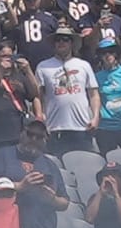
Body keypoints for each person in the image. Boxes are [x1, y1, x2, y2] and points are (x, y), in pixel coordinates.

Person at [0, 117, 67, 228]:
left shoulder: (49, 165)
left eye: (39, 136)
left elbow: (64, 202)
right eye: (30, 134)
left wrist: (50, 198)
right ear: (22, 133)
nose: (33, 139)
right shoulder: (3, 155)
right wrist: (19, 186)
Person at [34, 25, 99, 155]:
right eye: (58, 40)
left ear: (71, 43)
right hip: (54, 128)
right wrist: (40, 116)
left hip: (82, 127)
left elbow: (93, 94)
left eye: (65, 39)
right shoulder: (43, 66)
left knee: (83, 166)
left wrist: (96, 117)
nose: (61, 43)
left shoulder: (84, 65)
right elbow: (37, 95)